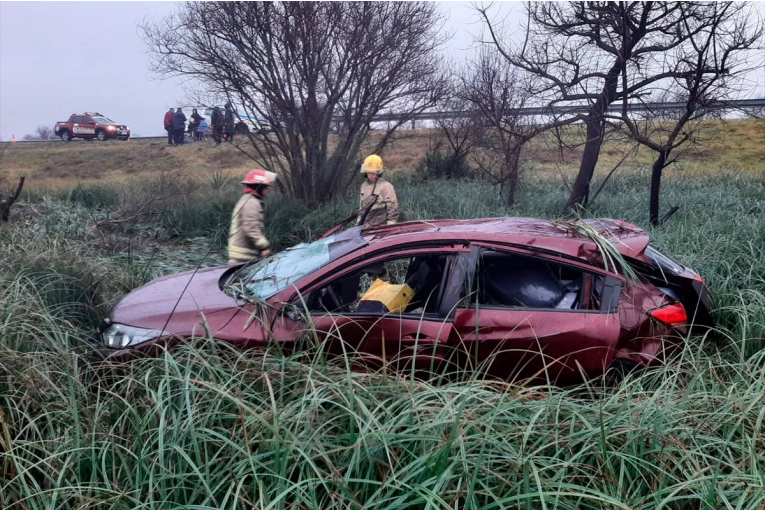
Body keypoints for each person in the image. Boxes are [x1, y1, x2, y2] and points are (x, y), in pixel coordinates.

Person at [228, 169, 277, 265]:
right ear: (259, 187)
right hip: (242, 259)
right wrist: (264, 246)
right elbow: (251, 227)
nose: (267, 191)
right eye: (266, 188)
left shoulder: (248, 200)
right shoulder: (251, 202)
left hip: (243, 257)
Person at [357, 154, 398, 229]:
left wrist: (390, 226)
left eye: (374, 173)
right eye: (369, 173)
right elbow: (361, 207)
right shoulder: (364, 186)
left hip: (381, 228)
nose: (372, 176)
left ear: (378, 172)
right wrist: (358, 225)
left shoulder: (386, 186)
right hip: (366, 227)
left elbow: (392, 207)